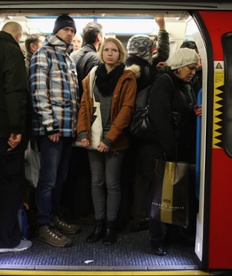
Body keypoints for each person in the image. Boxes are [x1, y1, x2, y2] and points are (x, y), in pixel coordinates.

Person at [76, 37, 138, 245]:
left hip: (115, 139)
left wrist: (110, 139)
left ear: (121, 55)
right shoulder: (91, 76)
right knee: (96, 181)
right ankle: (99, 224)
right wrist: (83, 133)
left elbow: (126, 111)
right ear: (101, 53)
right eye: (106, 50)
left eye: (115, 50)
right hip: (93, 136)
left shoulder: (127, 77)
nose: (110, 53)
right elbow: (84, 107)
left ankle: (111, 226)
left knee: (112, 183)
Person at [29, 14, 80, 248]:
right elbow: (39, 93)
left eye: (72, 30)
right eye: (66, 29)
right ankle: (43, 225)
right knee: (48, 180)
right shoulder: (43, 54)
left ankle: (54, 216)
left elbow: (74, 96)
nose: (70, 33)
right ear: (56, 30)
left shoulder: (68, 58)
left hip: (69, 129)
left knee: (61, 178)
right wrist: (50, 126)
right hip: (53, 130)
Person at [0, 21, 33, 253]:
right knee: (12, 183)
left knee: (1, 184)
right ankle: (7, 240)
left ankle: (0, 235)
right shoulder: (11, 50)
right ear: (18, 36)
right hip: (6, 130)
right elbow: (15, 92)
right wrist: (16, 128)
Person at [147, 48, 200, 255]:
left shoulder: (185, 86)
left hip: (179, 149)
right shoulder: (164, 81)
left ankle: (174, 233)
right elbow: (159, 118)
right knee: (159, 196)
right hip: (164, 150)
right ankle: (156, 239)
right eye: (190, 68)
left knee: (175, 194)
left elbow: (185, 111)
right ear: (178, 66)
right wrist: (170, 150)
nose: (193, 72)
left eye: (195, 69)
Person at [125, 17, 170, 233]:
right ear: (147, 50)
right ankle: (140, 216)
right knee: (143, 176)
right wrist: (162, 29)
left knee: (122, 176)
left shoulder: (121, 67)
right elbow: (161, 55)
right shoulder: (149, 71)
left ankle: (127, 214)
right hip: (142, 131)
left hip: (123, 129)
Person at [62, 21, 104, 223]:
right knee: (86, 172)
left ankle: (70, 211)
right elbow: (93, 96)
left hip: (71, 120)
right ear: (98, 39)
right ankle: (83, 211)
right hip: (86, 120)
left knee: (72, 170)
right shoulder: (95, 59)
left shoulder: (72, 56)